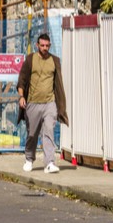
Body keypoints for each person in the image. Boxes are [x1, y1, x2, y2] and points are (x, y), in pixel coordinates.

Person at [16, 32, 69, 173]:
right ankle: (29, 158)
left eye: (47, 45)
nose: (45, 48)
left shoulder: (55, 61)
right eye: (42, 45)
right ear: (37, 45)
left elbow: (58, 83)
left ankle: (49, 163)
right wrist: (22, 97)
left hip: (49, 103)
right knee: (32, 134)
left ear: (50, 45)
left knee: (49, 131)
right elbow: (22, 80)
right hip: (33, 103)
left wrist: (60, 104)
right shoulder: (30, 59)